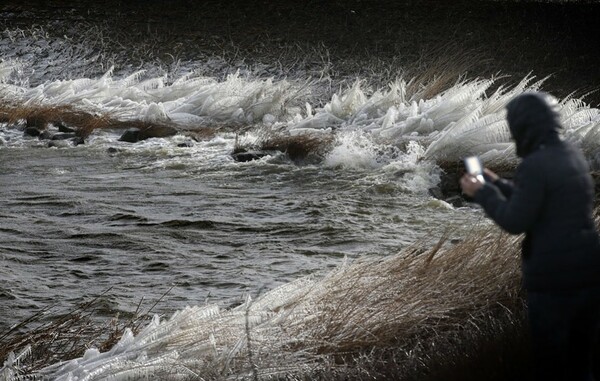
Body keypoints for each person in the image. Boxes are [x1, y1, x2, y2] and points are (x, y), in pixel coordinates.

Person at [460, 92, 600, 380]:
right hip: (588, 273)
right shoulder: (570, 155)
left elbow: (515, 220)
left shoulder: (535, 164)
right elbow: (542, 201)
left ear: (524, 126)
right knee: (582, 364)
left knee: (551, 366)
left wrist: (482, 192)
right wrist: (498, 182)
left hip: (554, 281)